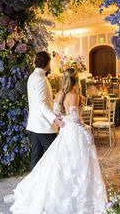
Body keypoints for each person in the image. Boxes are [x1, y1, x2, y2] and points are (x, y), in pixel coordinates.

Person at [10, 68, 107, 214]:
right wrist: (86, 130)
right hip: (74, 131)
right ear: (75, 79)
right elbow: (75, 117)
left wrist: (61, 122)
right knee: (78, 163)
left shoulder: (59, 94)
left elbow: (56, 113)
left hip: (65, 131)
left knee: (63, 163)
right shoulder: (73, 95)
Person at [26, 51, 64, 170]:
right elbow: (41, 103)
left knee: (36, 158)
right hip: (43, 125)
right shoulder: (40, 78)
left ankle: (33, 186)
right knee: (58, 153)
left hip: (35, 124)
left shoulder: (33, 76)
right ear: (47, 63)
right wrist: (54, 119)